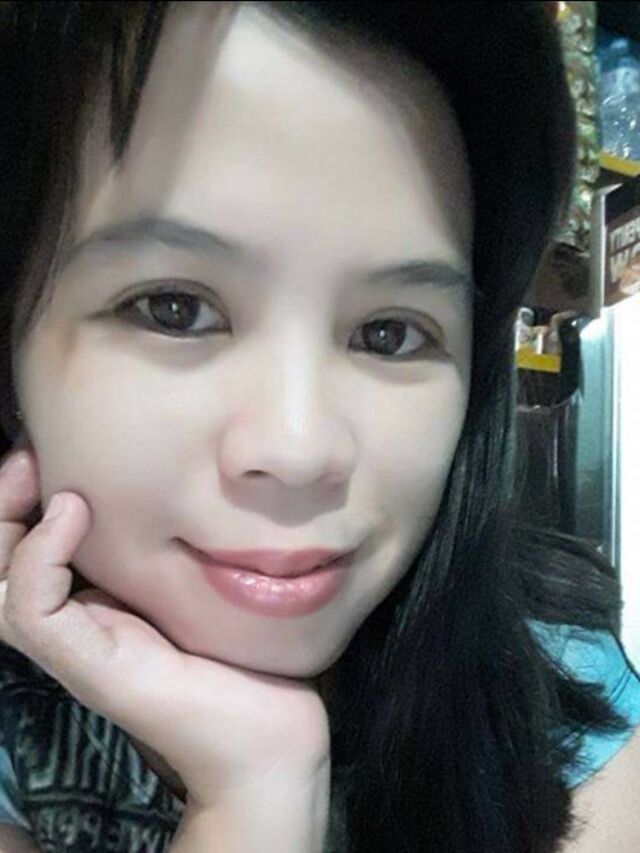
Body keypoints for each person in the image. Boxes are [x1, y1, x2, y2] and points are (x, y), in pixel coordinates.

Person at [0, 1, 638, 851]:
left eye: (390, 333)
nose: (299, 449)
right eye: (173, 308)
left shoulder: (556, 695)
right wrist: (254, 794)